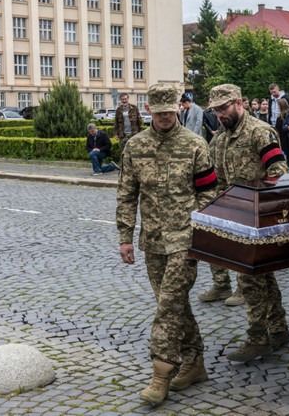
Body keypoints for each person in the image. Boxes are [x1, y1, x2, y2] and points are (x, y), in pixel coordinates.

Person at [116, 83, 218, 404]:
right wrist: (125, 237)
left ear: (178, 108)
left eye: (169, 112)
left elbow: (209, 192)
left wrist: (201, 229)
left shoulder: (195, 145)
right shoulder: (135, 146)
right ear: (149, 110)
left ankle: (162, 372)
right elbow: (126, 194)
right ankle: (195, 361)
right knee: (172, 303)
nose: (163, 118)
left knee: (168, 304)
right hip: (153, 241)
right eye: (158, 112)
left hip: (185, 240)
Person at [204, 84, 289, 362]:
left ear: (239, 103)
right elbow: (213, 179)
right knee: (263, 276)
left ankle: (258, 339)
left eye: (224, 108)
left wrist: (256, 197)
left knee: (250, 280)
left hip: (259, 217)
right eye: (216, 110)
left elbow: (279, 172)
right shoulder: (219, 140)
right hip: (235, 218)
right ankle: (278, 330)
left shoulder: (259, 132)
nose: (220, 114)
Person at [114, 93, 144, 159]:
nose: (124, 100)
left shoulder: (134, 108)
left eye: (125, 99)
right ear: (120, 100)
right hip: (123, 134)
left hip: (133, 133)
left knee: (134, 151)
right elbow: (116, 122)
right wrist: (116, 134)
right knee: (123, 152)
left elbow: (139, 120)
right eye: (123, 99)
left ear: (128, 99)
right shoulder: (118, 110)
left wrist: (141, 132)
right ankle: (123, 167)